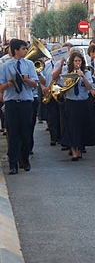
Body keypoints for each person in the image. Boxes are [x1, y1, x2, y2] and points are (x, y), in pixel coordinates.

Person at [0, 38, 39, 174]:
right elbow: (1, 86)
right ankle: (13, 163)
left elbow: (36, 84)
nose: (25, 51)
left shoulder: (29, 64)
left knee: (25, 132)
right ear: (16, 50)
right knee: (13, 133)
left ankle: (25, 160)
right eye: (23, 49)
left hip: (26, 102)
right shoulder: (5, 66)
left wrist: (27, 79)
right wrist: (8, 84)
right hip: (11, 103)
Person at [61, 51, 93, 161]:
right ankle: (73, 151)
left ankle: (79, 149)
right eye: (75, 61)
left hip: (83, 102)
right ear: (72, 62)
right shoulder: (67, 71)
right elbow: (62, 86)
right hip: (71, 102)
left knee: (81, 127)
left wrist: (83, 76)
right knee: (72, 127)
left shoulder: (87, 72)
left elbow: (89, 87)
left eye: (79, 61)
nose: (77, 63)